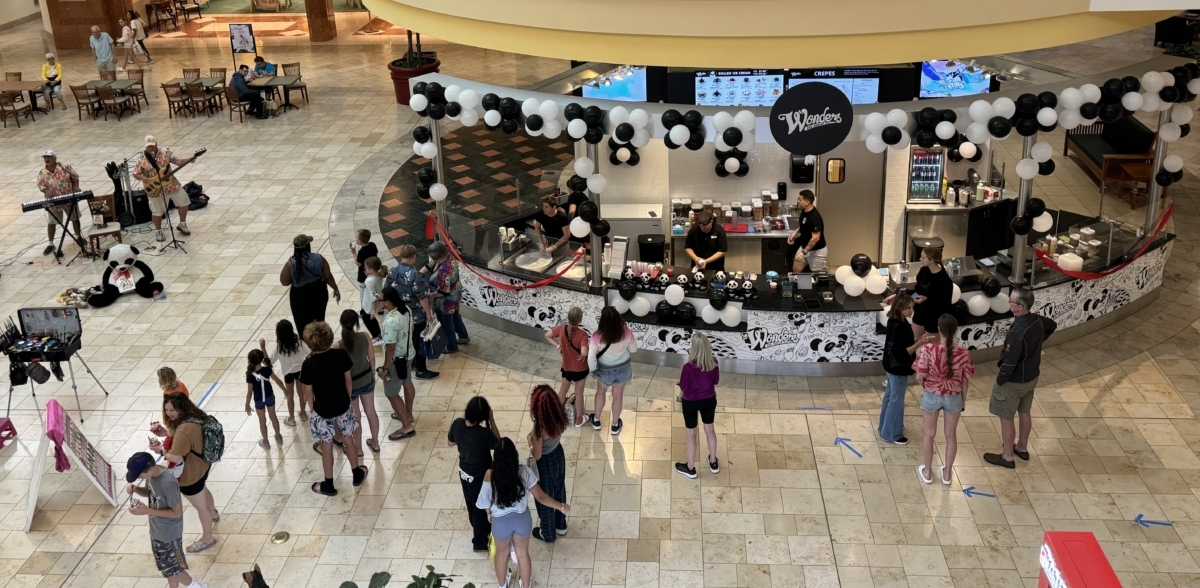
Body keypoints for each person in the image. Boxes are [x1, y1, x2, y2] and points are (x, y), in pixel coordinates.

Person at [478, 438, 570, 588]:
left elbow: (484, 502)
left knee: (501, 555)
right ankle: (525, 585)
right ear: (514, 455)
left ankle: (503, 585)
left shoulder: (490, 475)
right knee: (523, 554)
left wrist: (489, 513)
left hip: (500, 523)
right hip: (522, 520)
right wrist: (560, 506)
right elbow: (540, 497)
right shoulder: (524, 471)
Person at [985, 288, 1057, 469]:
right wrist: (1038, 342)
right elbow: (1052, 325)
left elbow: (1010, 361)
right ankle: (1022, 447)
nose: (1009, 304)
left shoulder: (1018, 331)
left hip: (1014, 381)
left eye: (1011, 302)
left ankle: (1007, 456)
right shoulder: (1037, 321)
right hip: (1031, 376)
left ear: (1020, 307)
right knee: (1024, 412)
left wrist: (1001, 379)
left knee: (1006, 417)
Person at [298, 321, 366, 496]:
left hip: (322, 411)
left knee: (326, 446)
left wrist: (313, 411)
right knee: (348, 439)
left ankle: (329, 484)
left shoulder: (308, 365)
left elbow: (308, 393)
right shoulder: (341, 355)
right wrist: (347, 399)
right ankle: (356, 473)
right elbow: (348, 381)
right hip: (342, 405)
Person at [124, 452, 207, 588]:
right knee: (168, 568)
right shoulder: (152, 476)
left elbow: (177, 512)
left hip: (169, 534)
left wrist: (146, 511)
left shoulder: (167, 482)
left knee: (175, 568)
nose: (138, 478)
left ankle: (195, 586)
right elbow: (151, 492)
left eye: (139, 475)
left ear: (149, 469)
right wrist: (136, 489)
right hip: (157, 530)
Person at [913, 314, 974, 485]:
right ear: (955, 330)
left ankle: (927, 472)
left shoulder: (928, 350)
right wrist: (963, 400)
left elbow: (919, 376)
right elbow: (965, 380)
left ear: (939, 329)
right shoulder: (964, 353)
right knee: (951, 436)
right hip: (954, 397)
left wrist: (926, 388)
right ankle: (947, 474)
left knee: (929, 435)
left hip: (931, 395)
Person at [159, 393, 218, 554]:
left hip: (190, 475)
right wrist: (165, 434)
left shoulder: (183, 430)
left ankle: (208, 538)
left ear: (181, 408)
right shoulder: (194, 416)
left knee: (200, 507)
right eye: (167, 410)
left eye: (172, 410)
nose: (169, 414)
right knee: (203, 490)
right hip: (203, 465)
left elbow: (175, 456)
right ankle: (213, 514)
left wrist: (161, 450)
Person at [878, 296, 937, 445]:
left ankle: (885, 427)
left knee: (890, 396)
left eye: (912, 307)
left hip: (890, 365)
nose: (912, 310)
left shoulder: (894, 321)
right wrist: (920, 343)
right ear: (899, 308)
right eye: (909, 308)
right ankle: (892, 434)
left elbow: (899, 347)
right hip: (898, 368)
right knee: (897, 400)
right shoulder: (899, 325)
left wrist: (918, 341)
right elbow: (903, 352)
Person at [447, 396, 500, 552]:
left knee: (471, 503)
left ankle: (477, 528)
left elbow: (450, 443)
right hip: (481, 477)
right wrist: (492, 421)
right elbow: (498, 443)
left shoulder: (457, 424)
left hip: (464, 472)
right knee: (482, 508)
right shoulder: (483, 434)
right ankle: (479, 542)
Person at [385, 244, 438, 380]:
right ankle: (421, 369)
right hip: (416, 316)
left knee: (406, 340)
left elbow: (387, 292)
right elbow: (422, 298)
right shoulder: (415, 275)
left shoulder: (392, 271)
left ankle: (411, 362)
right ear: (414, 256)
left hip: (399, 315)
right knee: (420, 342)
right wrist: (428, 314)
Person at [674, 333, 721, 478]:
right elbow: (716, 381)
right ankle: (713, 462)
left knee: (691, 434)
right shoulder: (713, 362)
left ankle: (690, 467)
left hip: (690, 402)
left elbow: (684, 387)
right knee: (710, 430)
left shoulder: (688, 367)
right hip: (708, 399)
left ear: (693, 348)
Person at [133, 136, 195, 243]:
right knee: (157, 212)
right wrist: (144, 178)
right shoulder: (141, 158)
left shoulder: (166, 152)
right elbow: (136, 174)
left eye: (152, 146)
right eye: (148, 147)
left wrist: (190, 159)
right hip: (155, 190)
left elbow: (178, 161)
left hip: (172, 185)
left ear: (156, 144)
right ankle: (158, 231)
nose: (151, 148)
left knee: (184, 202)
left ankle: (182, 224)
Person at [587, 306, 638, 435]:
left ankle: (597, 421)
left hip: (604, 370)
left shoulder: (597, 336)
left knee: (600, 393)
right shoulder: (626, 331)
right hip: (623, 368)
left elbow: (591, 357)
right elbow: (633, 350)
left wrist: (594, 371)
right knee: (618, 396)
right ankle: (615, 425)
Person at [334, 310, 380, 455]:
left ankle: (358, 449)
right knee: (371, 411)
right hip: (366, 379)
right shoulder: (365, 336)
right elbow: (372, 358)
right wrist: (372, 374)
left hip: (350, 385)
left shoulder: (338, 345)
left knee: (356, 416)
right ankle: (375, 442)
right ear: (356, 323)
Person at [280, 234, 341, 338]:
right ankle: (320, 341)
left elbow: (284, 282)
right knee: (318, 319)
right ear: (308, 246)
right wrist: (335, 288)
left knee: (301, 322)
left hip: (299, 296)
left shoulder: (291, 263)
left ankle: (307, 344)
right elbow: (328, 276)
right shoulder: (319, 258)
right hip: (319, 291)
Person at [528, 385, 568, 542]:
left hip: (545, 463)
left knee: (545, 496)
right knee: (559, 489)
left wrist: (529, 442)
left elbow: (537, 455)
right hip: (558, 454)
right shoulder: (559, 415)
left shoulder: (540, 428)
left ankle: (548, 533)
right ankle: (561, 525)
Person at [378, 287, 418, 440]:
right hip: (409, 354)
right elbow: (412, 328)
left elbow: (390, 348)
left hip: (396, 361)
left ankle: (407, 426)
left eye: (380, 299)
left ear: (388, 302)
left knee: (391, 393)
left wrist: (385, 368)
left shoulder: (390, 321)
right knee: (407, 382)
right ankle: (408, 413)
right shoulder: (406, 309)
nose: (379, 301)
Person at [544, 307, 588, 427]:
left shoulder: (562, 328)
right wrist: (585, 353)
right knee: (579, 393)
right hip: (580, 368)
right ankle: (579, 419)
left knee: (563, 390)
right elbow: (584, 352)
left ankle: (556, 415)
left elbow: (547, 335)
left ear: (568, 318)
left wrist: (558, 346)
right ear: (580, 320)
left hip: (567, 367)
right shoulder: (582, 334)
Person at [262, 320, 309, 426]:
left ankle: (291, 419)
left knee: (289, 395)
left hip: (288, 373)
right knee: (301, 394)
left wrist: (263, 348)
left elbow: (268, 363)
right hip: (300, 370)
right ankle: (303, 413)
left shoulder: (278, 347)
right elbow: (309, 352)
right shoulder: (299, 342)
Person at [36, 150, 81, 258]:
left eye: (49, 157)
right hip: (54, 202)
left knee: (74, 218)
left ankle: (79, 237)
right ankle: (51, 244)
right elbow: (40, 186)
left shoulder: (65, 167)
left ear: (55, 158)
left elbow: (75, 177)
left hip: (69, 198)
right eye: (45, 157)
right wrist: (47, 191)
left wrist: (76, 186)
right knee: (51, 223)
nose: (47, 159)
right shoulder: (42, 173)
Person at [429, 241, 469, 354]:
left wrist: (431, 296)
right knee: (456, 316)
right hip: (455, 294)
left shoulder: (443, 271)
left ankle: (452, 346)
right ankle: (463, 336)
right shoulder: (450, 257)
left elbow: (443, 292)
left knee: (447, 323)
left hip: (445, 302)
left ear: (436, 256)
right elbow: (432, 265)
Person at [907, 247, 954, 339]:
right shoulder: (924, 271)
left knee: (932, 348)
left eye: (923, 258)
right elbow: (917, 289)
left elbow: (945, 304)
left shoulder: (944, 280)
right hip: (919, 314)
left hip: (934, 319)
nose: (920, 259)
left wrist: (927, 299)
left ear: (932, 260)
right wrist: (914, 298)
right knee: (918, 343)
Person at [245, 349, 284, 449]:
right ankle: (278, 437)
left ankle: (266, 442)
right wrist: (285, 390)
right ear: (261, 359)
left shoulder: (250, 375)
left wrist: (247, 404)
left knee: (262, 421)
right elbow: (278, 381)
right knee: (273, 416)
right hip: (269, 397)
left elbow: (249, 392)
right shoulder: (267, 370)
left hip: (258, 400)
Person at [787, 189, 827, 273]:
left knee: (815, 276)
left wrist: (803, 253)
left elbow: (815, 238)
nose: (798, 201)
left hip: (817, 251)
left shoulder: (814, 217)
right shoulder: (805, 211)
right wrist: (795, 232)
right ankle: (800, 285)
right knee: (796, 269)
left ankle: (810, 285)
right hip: (804, 247)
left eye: (800, 199)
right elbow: (804, 224)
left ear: (807, 202)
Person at [360, 256, 385, 343]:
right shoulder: (379, 275)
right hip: (375, 303)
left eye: (366, 267)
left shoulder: (369, 280)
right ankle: (378, 334)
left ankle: (376, 336)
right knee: (372, 318)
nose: (364, 268)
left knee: (367, 318)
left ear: (371, 269)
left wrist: (373, 310)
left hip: (370, 305)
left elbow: (372, 295)